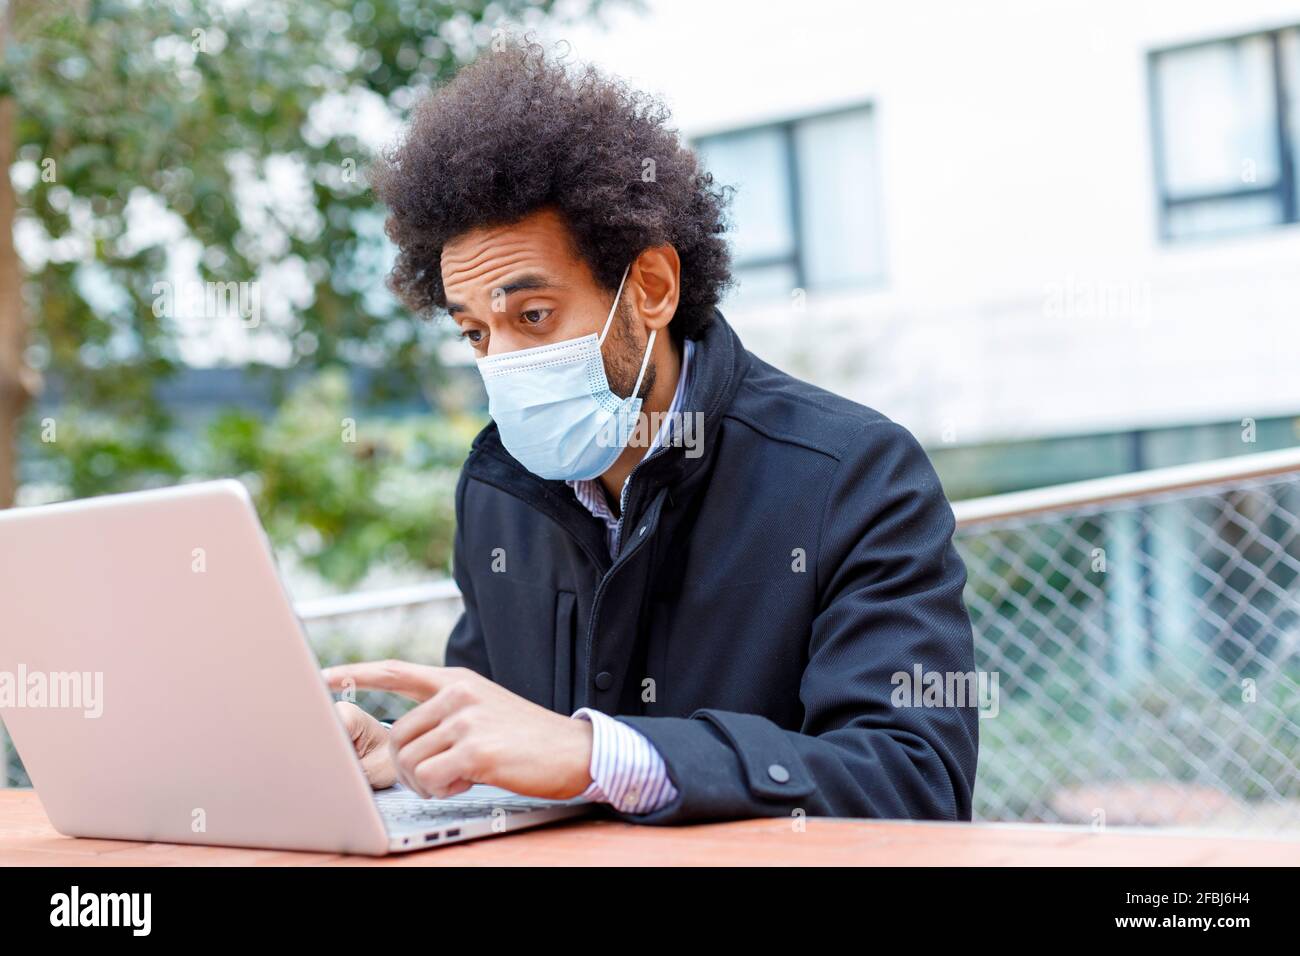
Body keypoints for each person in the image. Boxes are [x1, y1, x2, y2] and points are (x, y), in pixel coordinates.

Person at [323, 40, 979, 824]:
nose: (502, 361)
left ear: (653, 288)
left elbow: (913, 781)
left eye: (532, 316)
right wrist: (404, 754)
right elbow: (506, 741)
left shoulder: (855, 476)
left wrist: (602, 756)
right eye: (474, 333)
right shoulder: (498, 491)